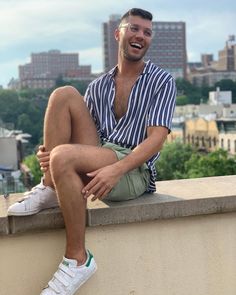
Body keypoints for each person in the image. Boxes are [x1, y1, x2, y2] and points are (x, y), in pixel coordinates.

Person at [8, 8, 176, 295]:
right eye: (134, 28)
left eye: (147, 32)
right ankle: (49, 186)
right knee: (63, 95)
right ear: (118, 33)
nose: (141, 36)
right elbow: (80, 136)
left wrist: (116, 168)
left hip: (133, 169)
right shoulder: (99, 86)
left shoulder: (162, 81)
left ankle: (77, 259)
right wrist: (48, 152)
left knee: (63, 155)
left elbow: (156, 140)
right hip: (101, 153)